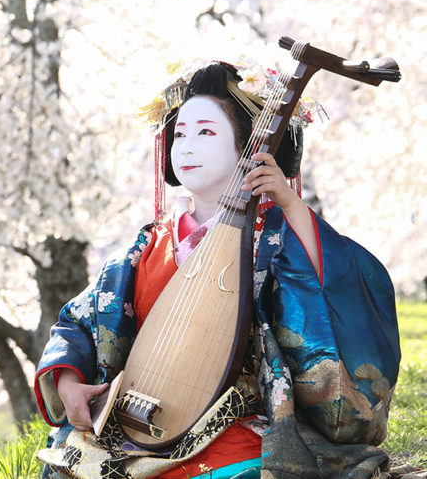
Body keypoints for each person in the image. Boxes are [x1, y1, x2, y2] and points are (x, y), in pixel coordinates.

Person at [33, 62, 406, 479]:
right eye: (180, 134)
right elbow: (79, 322)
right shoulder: (144, 248)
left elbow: (334, 288)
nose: (187, 147)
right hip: (137, 416)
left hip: (235, 424)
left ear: (250, 147)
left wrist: (290, 205)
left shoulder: (276, 238)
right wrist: (68, 383)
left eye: (206, 132)